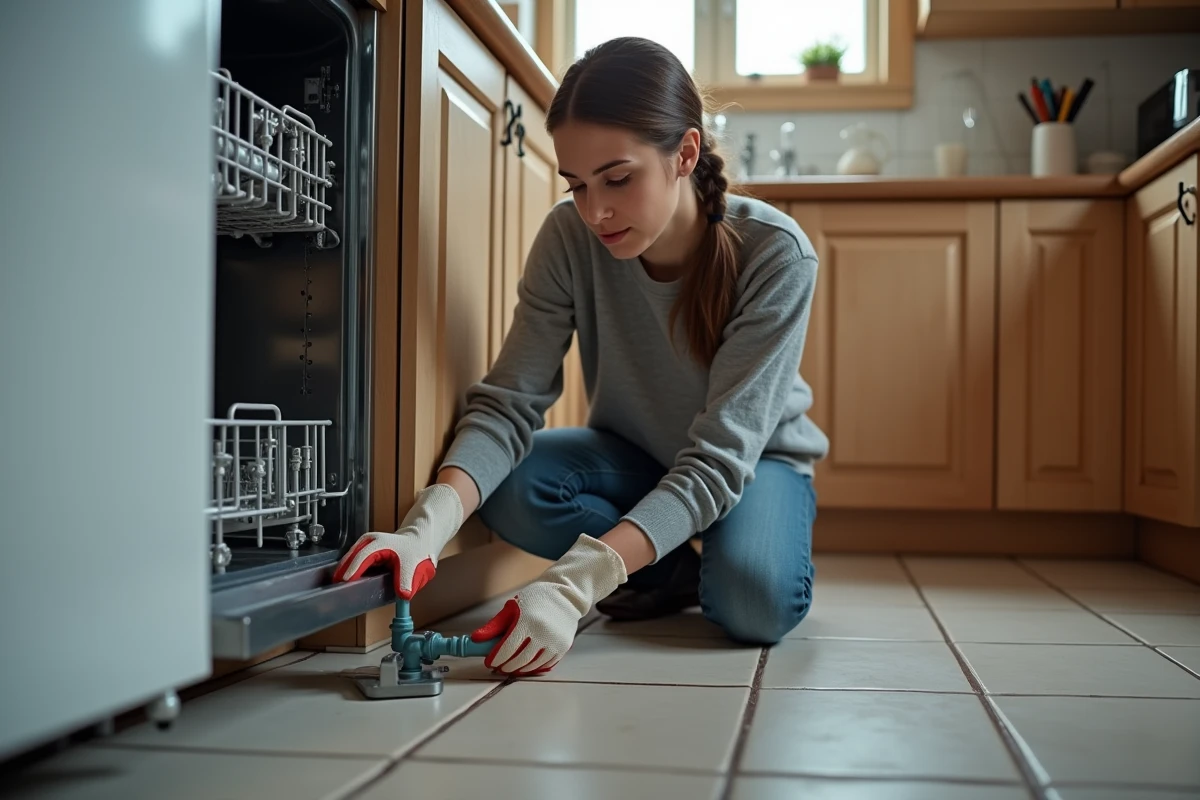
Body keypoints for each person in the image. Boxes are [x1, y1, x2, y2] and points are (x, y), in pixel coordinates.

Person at [333, 36, 829, 677]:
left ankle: (688, 560)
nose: (596, 211)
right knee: (511, 490)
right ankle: (669, 571)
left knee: (754, 603)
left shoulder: (776, 253)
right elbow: (510, 403)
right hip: (634, 453)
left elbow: (718, 460)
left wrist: (574, 584)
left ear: (685, 153)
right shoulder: (568, 236)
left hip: (752, 465)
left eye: (618, 179)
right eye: (577, 186)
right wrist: (425, 526)